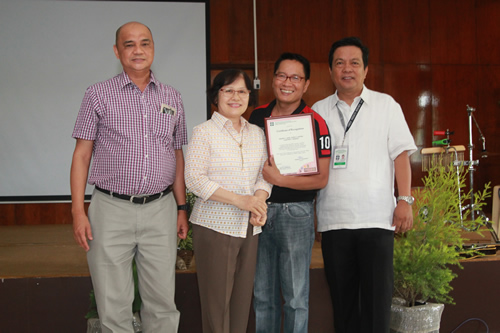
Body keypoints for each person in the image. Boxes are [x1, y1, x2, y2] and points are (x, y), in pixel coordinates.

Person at [70, 21, 189, 333]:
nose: (138, 50)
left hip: (161, 209)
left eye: (145, 43)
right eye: (129, 44)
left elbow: (176, 154)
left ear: (153, 49)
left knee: (163, 303)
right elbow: (82, 155)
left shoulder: (172, 97)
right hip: (110, 210)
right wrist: (77, 210)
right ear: (117, 51)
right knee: (113, 305)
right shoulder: (97, 94)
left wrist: (181, 207)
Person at [312, 37, 417, 333]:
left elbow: (400, 154)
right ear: (331, 71)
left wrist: (405, 200)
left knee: (376, 305)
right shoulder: (317, 111)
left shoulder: (386, 105)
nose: (347, 69)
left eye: (354, 62)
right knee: (343, 307)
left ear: (366, 70)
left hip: (377, 219)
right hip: (334, 221)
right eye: (340, 63)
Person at [249, 53, 332, 333]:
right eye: (282, 75)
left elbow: (321, 178)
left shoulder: (315, 122)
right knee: (263, 296)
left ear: (306, 84)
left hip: (296, 213)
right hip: (259, 212)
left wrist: (280, 179)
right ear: (273, 79)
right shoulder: (256, 116)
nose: (288, 82)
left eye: (296, 77)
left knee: (296, 299)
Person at [184, 69, 272, 333]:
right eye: (228, 90)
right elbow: (194, 179)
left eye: (242, 91)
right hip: (214, 227)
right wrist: (240, 201)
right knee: (216, 305)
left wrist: (258, 201)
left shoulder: (257, 133)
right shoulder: (204, 132)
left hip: (250, 228)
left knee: (241, 302)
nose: (236, 97)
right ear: (217, 95)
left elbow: (264, 175)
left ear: (250, 96)